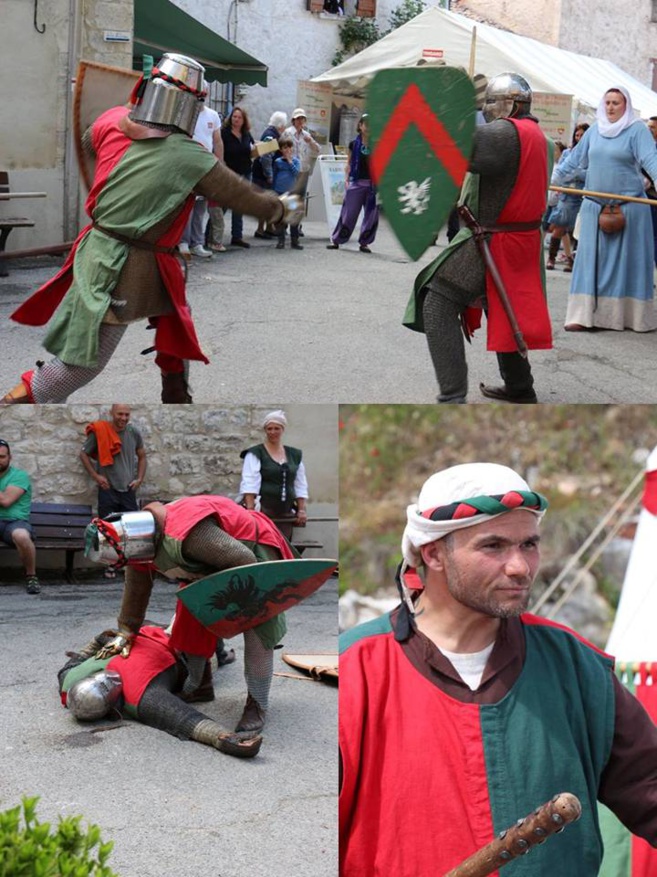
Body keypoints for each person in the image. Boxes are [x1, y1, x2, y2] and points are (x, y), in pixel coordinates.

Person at [339, 462, 657, 876]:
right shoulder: (356, 670)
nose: (520, 567)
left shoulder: (573, 664)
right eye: (493, 546)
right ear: (433, 553)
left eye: (529, 544)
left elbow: (648, 788)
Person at [1, 53, 301, 405]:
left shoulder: (111, 121)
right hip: (122, 264)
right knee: (83, 362)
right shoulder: (189, 157)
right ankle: (15, 406)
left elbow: (87, 141)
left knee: (174, 333)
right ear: (191, 105)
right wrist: (283, 208)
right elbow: (244, 195)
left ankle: (176, 400)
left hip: (126, 254)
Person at [84, 495, 297, 735]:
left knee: (258, 627)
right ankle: (198, 685)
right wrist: (126, 631)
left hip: (253, 555)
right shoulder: (138, 541)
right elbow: (137, 589)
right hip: (207, 568)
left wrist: (217, 598)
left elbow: (243, 561)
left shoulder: (190, 533)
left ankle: (257, 704)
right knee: (189, 618)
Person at [404, 73, 553, 405]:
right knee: (502, 305)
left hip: (493, 239)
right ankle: (519, 386)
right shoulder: (538, 137)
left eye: (489, 101)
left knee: (438, 302)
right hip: (522, 241)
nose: (485, 108)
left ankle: (453, 397)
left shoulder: (505, 132)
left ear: (509, 104)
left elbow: (457, 148)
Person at [58, 626, 261, 758]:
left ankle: (220, 650)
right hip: (184, 649)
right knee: (208, 649)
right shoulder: (143, 697)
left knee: (188, 617)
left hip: (146, 630)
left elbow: (75, 661)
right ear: (111, 706)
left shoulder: (70, 680)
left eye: (97, 681)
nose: (106, 681)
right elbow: (185, 719)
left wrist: (101, 639)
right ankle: (221, 653)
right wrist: (224, 738)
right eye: (105, 689)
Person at [552, 87, 657, 332]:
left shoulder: (637, 130)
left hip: (631, 207)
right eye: (607, 102)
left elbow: (651, 161)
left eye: (616, 103)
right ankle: (582, 315)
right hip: (593, 206)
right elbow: (574, 159)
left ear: (626, 105)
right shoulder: (595, 131)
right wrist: (553, 179)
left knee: (625, 265)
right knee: (587, 261)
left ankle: (627, 317)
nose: (610, 107)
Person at [79, 404, 146, 578]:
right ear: (112, 413)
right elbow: (84, 454)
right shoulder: (100, 430)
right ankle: (110, 566)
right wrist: (96, 476)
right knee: (107, 531)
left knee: (131, 531)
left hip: (128, 489)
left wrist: (139, 479)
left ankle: (130, 567)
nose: (123, 418)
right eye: (120, 414)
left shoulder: (133, 433)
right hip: (107, 488)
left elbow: (142, 455)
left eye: (127, 414)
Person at [239, 409, 308, 539]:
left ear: (282, 429)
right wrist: (250, 510)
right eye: (269, 428)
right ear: (265, 430)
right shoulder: (255, 453)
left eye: (277, 428)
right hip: (263, 512)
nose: (273, 432)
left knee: (285, 545)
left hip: (286, 513)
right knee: (267, 544)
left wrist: (301, 510)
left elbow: (300, 484)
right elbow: (249, 481)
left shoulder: (294, 455)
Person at [178, 85, 224, 258]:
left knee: (200, 207)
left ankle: (197, 243)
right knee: (187, 207)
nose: (202, 96)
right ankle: (183, 242)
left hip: (206, 167)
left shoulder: (213, 115)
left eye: (204, 93)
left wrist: (219, 164)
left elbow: (217, 142)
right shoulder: (186, 112)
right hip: (188, 166)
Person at [326, 114, 379, 254]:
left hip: (372, 185)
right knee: (348, 213)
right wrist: (346, 179)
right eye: (365, 124)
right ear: (360, 126)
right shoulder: (353, 144)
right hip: (356, 182)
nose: (368, 127)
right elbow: (348, 164)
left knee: (371, 215)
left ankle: (364, 243)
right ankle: (337, 240)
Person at [0, 439, 39, 594]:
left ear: (10, 457)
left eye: (2, 457)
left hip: (14, 522)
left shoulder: (19, 476)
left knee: (22, 536)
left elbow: (6, 501)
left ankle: (31, 576)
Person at [545, 129, 588, 272]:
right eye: (577, 134)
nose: (579, 137)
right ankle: (551, 258)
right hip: (566, 195)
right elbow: (562, 172)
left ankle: (572, 260)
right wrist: (573, 174)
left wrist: (576, 173)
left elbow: (589, 174)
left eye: (583, 135)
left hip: (583, 195)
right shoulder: (567, 153)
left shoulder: (591, 153)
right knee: (559, 226)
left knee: (578, 231)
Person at [221, 107, 255, 249]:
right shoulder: (224, 133)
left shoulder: (246, 134)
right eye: (234, 117)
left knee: (239, 206)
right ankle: (211, 235)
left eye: (239, 117)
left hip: (245, 172)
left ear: (243, 120)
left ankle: (237, 236)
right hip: (230, 173)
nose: (236, 119)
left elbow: (253, 147)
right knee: (222, 205)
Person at [252, 111, 288, 239]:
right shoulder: (271, 136)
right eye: (284, 125)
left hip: (261, 172)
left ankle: (268, 227)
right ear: (280, 125)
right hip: (262, 174)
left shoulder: (270, 133)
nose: (284, 128)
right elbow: (266, 157)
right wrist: (269, 175)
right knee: (265, 202)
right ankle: (261, 229)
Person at [272, 138, 303, 250]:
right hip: (280, 192)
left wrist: (290, 162)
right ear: (281, 150)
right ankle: (281, 240)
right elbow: (274, 176)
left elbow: (296, 174)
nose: (288, 150)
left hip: (292, 194)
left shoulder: (296, 161)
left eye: (289, 147)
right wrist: (273, 191)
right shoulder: (278, 162)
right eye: (285, 148)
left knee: (294, 217)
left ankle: (295, 240)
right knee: (281, 218)